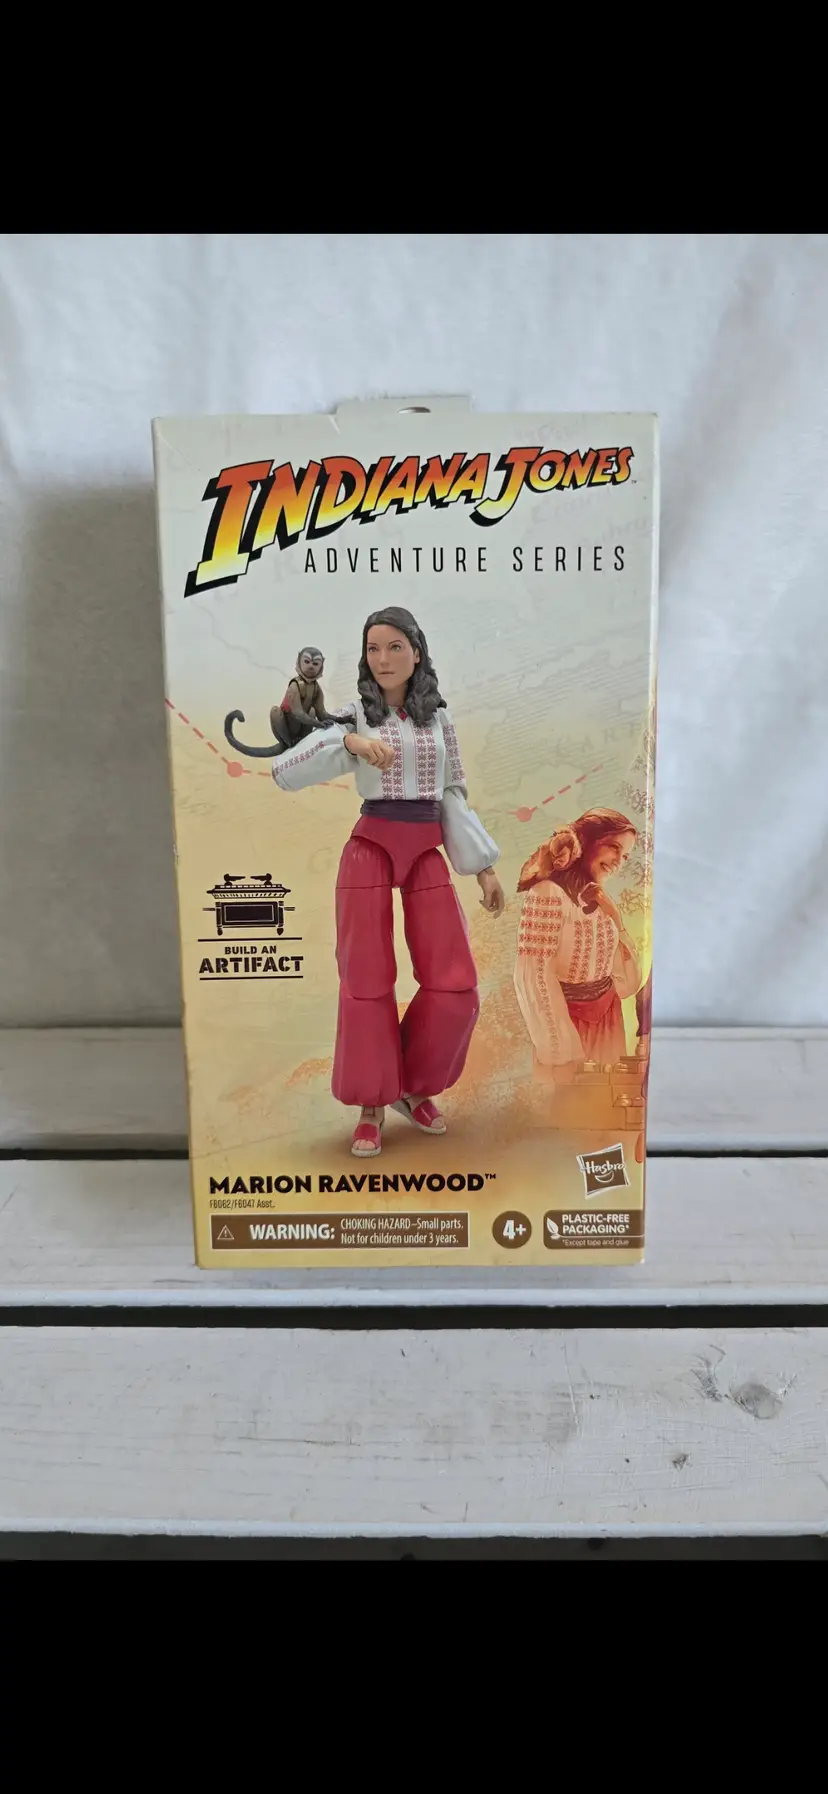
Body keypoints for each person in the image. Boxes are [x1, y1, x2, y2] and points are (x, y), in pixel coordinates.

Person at [273, 607, 505, 1157]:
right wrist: (349, 744)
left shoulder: (438, 718)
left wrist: (483, 866)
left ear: (417, 653)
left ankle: (411, 1085)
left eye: (395, 647)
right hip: (371, 847)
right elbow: (285, 772)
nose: (383, 659)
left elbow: (452, 793)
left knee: (455, 982)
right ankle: (370, 1103)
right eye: (373, 648)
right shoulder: (354, 715)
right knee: (366, 980)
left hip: (425, 849)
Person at [513, 809, 641, 1076]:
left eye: (625, 856)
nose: (618, 862)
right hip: (568, 1024)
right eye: (614, 848)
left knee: (606, 1096)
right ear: (587, 842)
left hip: (609, 1019)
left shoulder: (599, 897)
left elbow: (627, 985)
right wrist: (560, 1049)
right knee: (571, 1095)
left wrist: (616, 918)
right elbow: (533, 975)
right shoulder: (547, 893)